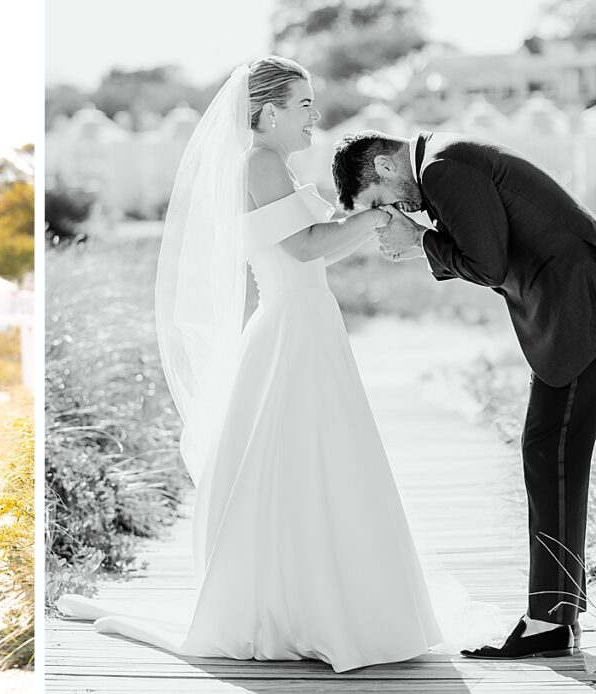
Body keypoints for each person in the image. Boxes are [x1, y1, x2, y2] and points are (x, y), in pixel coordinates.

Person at [56, 57, 442, 673]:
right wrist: (375, 218)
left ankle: (320, 601)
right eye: (304, 104)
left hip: (309, 322)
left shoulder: (276, 167)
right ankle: (312, 608)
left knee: (319, 462)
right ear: (267, 112)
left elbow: (312, 255)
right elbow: (303, 247)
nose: (315, 115)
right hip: (292, 328)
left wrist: (371, 225)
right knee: (305, 461)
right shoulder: (259, 162)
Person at [333, 129, 596, 659]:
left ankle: (551, 621)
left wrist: (419, 245)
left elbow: (487, 263)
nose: (391, 212)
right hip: (574, 306)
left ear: (386, 167)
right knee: (550, 451)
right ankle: (553, 618)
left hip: (578, 309)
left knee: (550, 452)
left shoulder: (441, 170)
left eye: (378, 203)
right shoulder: (446, 160)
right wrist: (425, 243)